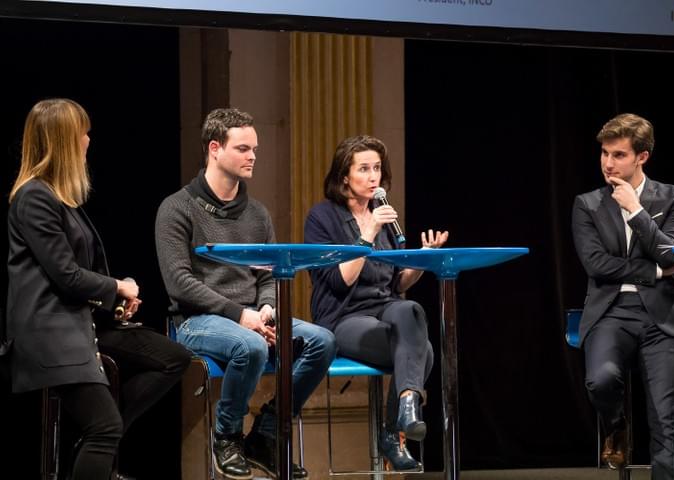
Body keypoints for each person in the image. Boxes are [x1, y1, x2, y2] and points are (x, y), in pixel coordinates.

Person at [5, 98, 191, 480]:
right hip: (51, 334)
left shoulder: (61, 198)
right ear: (64, 140)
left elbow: (78, 275)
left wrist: (115, 299)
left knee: (172, 357)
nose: (88, 140)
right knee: (105, 427)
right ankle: (101, 437)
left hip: (81, 323)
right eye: (83, 133)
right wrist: (117, 286)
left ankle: (99, 440)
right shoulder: (34, 197)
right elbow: (66, 276)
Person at [155, 108, 336, 480]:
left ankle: (266, 433)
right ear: (215, 149)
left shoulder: (257, 214)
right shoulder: (177, 208)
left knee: (322, 341)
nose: (252, 156)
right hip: (196, 320)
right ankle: (228, 435)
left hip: (254, 316)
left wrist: (267, 307)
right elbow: (179, 283)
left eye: (254, 148)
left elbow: (267, 274)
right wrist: (240, 316)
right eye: (243, 148)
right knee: (250, 346)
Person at [303, 135, 447, 471]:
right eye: (364, 169)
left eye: (377, 169)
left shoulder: (382, 217)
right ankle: (394, 431)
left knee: (411, 309)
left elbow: (396, 283)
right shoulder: (323, 217)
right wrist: (366, 234)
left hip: (384, 307)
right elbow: (340, 281)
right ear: (344, 177)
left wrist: (422, 260)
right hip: (343, 316)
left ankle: (405, 406)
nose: (373, 177)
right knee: (424, 351)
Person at [571, 113, 674, 479]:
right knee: (601, 380)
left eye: (619, 155)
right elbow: (596, 265)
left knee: (665, 417)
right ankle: (617, 426)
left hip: (663, 316)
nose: (608, 163)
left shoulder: (673, 197)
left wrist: (636, 211)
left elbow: (669, 253)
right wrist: (655, 271)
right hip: (611, 312)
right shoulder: (587, 204)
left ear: (642, 157)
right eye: (604, 153)